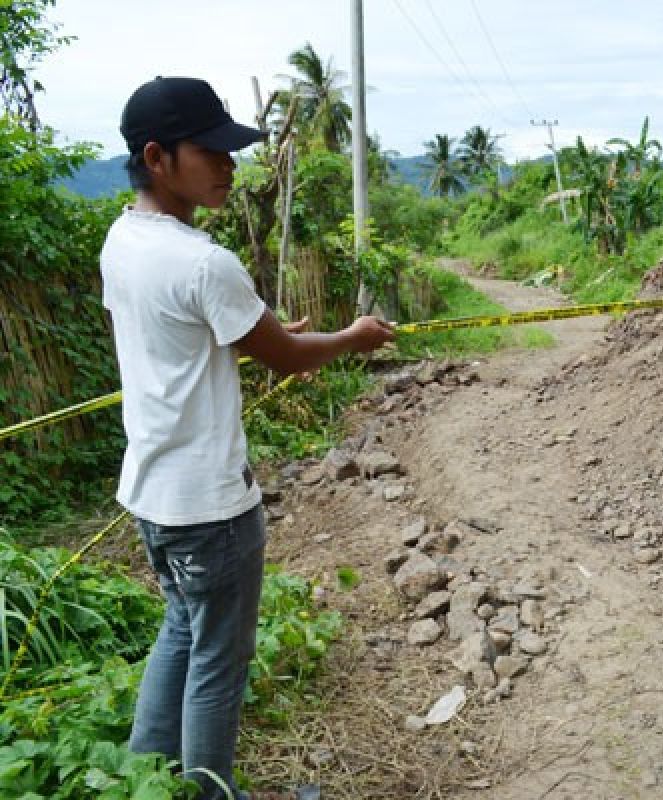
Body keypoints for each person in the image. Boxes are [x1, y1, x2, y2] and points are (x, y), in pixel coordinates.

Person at [100, 76, 394, 800]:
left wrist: (264, 333)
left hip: (152, 495)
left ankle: (145, 774)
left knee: (181, 628)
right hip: (211, 509)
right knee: (219, 665)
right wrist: (353, 339)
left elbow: (196, 339)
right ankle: (211, 792)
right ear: (157, 157)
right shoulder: (204, 261)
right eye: (213, 150)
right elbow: (288, 357)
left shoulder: (123, 240)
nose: (230, 165)